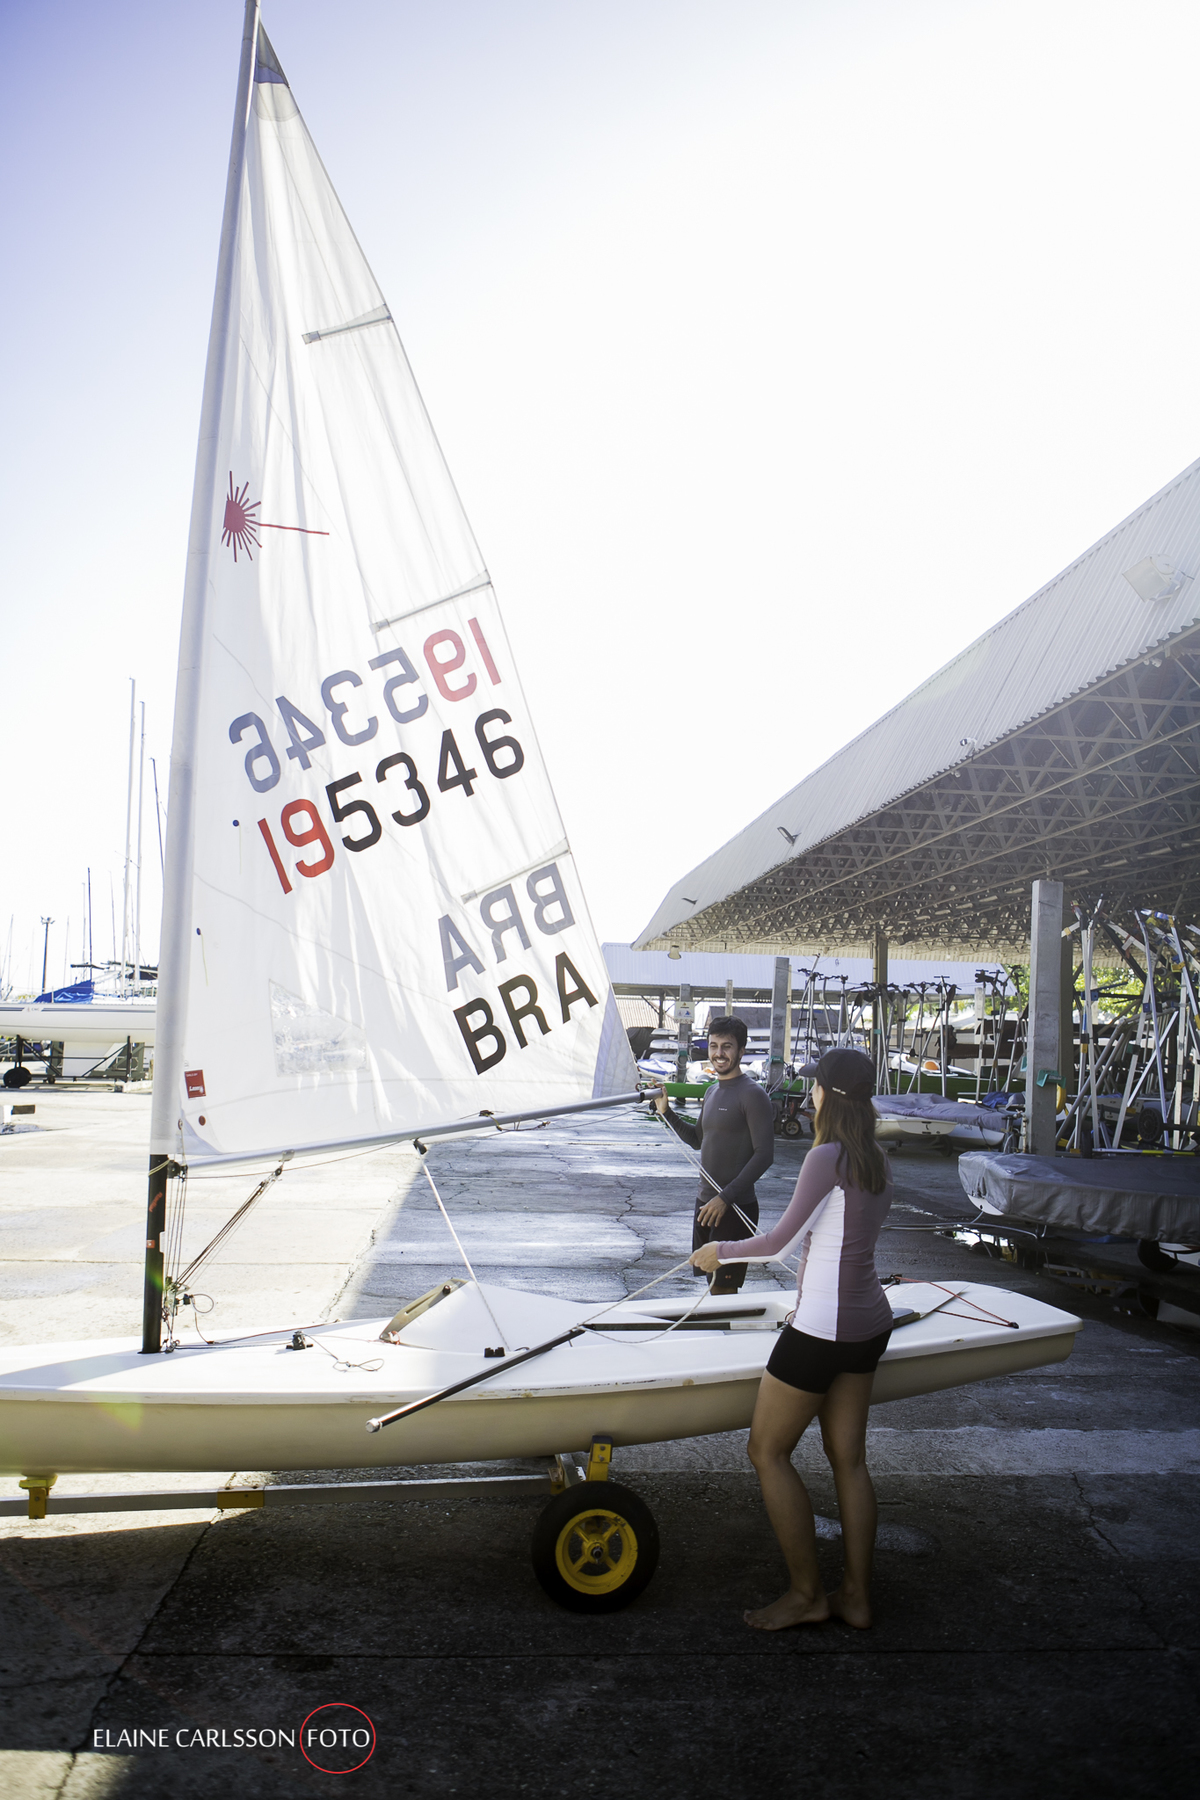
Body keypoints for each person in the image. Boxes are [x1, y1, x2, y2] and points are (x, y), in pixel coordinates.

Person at [691, 1045, 893, 1630]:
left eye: (815, 1085)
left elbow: (778, 1242)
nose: (810, 1095)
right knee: (849, 1461)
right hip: (869, 1326)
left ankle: (807, 1595)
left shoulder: (826, 1157)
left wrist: (721, 1250)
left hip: (823, 1330)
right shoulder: (876, 1158)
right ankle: (856, 1596)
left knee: (767, 1451)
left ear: (828, 1094)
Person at [653, 1014, 774, 1295]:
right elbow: (697, 1140)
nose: (719, 1053)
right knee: (711, 1287)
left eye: (727, 1046)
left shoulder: (753, 1095)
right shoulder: (711, 1092)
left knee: (722, 1290)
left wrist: (725, 1198)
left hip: (734, 1208)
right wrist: (666, 1112)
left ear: (741, 1050)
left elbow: (764, 1155)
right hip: (705, 1204)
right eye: (714, 1045)